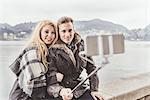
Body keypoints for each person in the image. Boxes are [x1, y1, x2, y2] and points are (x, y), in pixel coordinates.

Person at [47, 16, 104, 100]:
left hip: (79, 88)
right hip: (61, 92)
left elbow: (91, 67)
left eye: (70, 30)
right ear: (58, 32)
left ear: (74, 30)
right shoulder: (52, 50)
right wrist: (61, 91)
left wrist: (94, 89)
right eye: (63, 31)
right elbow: (50, 78)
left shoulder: (81, 44)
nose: (67, 35)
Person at [9, 20, 59, 100]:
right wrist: (55, 78)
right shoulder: (33, 51)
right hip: (23, 97)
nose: (50, 35)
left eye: (53, 33)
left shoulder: (47, 51)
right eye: (46, 32)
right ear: (39, 33)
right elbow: (36, 83)